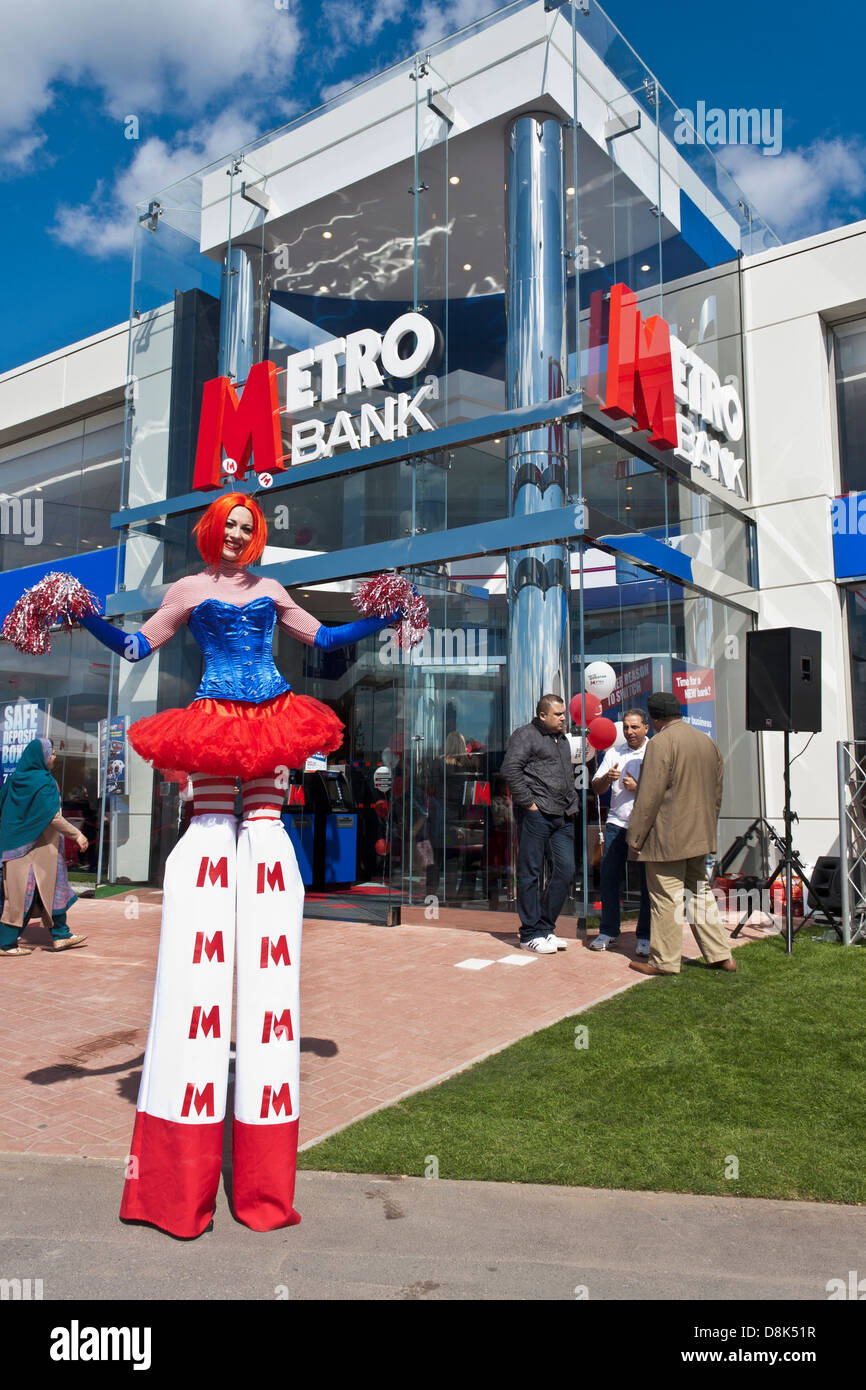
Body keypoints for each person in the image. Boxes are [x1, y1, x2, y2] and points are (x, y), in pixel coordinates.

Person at [32, 492, 409, 1237]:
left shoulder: (271, 590)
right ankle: (186, 1179)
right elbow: (139, 649)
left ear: (254, 535)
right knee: (209, 829)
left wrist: (386, 617)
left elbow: (327, 642)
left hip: (273, 712)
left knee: (266, 828)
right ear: (211, 531)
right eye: (227, 526)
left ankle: (258, 1185)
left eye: (247, 527)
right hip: (210, 716)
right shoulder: (185, 591)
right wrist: (87, 619)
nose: (237, 536)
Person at [626, 690, 735, 976]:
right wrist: (709, 828)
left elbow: (648, 796)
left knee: (665, 898)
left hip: (667, 837)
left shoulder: (661, 743)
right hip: (699, 835)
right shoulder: (706, 742)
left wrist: (635, 838)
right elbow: (717, 793)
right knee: (700, 894)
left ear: (655, 718)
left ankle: (664, 961)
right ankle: (721, 955)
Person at [500, 693, 576, 954]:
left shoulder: (562, 739)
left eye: (564, 713)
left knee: (566, 870)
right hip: (537, 814)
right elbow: (510, 769)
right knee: (530, 872)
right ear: (542, 715)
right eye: (558, 714)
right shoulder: (525, 735)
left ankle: (546, 927)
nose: (563, 718)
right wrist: (529, 805)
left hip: (564, 815)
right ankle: (530, 933)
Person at [0, 738, 89, 956]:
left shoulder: (13, 781)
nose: (55, 757)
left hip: (14, 847)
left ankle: (61, 935)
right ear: (40, 757)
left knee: (24, 894)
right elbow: (53, 817)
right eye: (51, 753)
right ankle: (7, 943)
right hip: (42, 848)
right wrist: (77, 834)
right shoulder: (45, 781)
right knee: (33, 894)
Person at [590, 708, 651, 955]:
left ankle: (645, 935)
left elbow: (665, 789)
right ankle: (608, 931)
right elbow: (596, 786)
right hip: (616, 823)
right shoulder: (614, 752)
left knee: (647, 882)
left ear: (646, 728)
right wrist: (607, 778)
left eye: (635, 727)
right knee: (608, 877)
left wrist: (639, 787)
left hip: (644, 824)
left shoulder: (654, 752)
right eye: (626, 727)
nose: (629, 732)